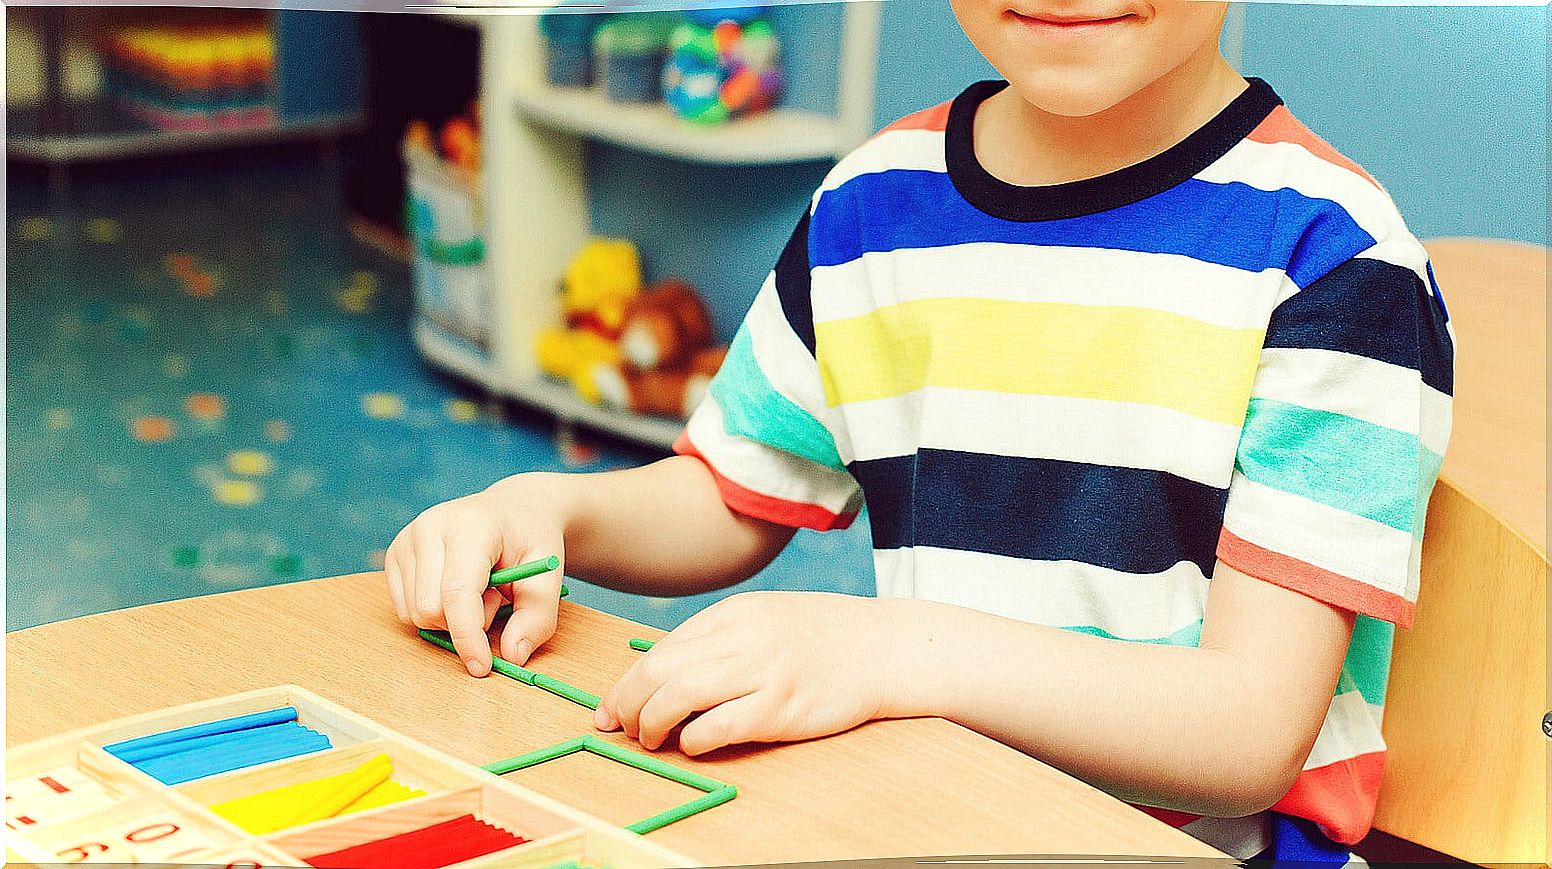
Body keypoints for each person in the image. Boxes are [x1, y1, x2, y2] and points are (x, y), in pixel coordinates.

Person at [384, 1, 1454, 860]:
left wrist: (890, 651)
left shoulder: (1337, 258)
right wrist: (542, 505)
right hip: (925, 804)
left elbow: (1245, 730)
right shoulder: (874, 200)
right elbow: (725, 493)